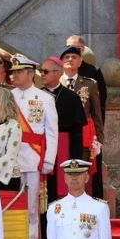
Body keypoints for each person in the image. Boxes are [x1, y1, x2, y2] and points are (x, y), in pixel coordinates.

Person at [10, 54, 58, 239]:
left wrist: (48, 159)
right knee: (11, 202)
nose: (15, 75)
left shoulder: (45, 98)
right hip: (10, 159)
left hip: (32, 158)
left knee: (30, 206)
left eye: (19, 72)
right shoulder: (8, 96)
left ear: (30, 74)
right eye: (14, 72)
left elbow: (52, 132)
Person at [40, 57, 86, 206]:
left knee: (59, 193)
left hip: (63, 149)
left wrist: (75, 161)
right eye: (41, 71)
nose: (42, 74)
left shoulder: (72, 98)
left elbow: (77, 133)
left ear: (58, 73)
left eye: (45, 71)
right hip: (40, 148)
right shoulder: (36, 96)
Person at [60, 45, 104, 197]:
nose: (70, 60)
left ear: (80, 61)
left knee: (81, 171)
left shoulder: (90, 84)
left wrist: (99, 139)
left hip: (84, 136)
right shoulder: (55, 84)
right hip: (61, 135)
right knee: (62, 172)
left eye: (74, 57)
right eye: (66, 57)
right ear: (61, 62)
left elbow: (97, 114)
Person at [65, 35, 106, 117]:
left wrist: (98, 128)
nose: (70, 50)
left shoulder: (93, 72)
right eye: (67, 47)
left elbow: (100, 102)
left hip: (84, 121)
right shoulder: (59, 70)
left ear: (82, 49)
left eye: (73, 47)